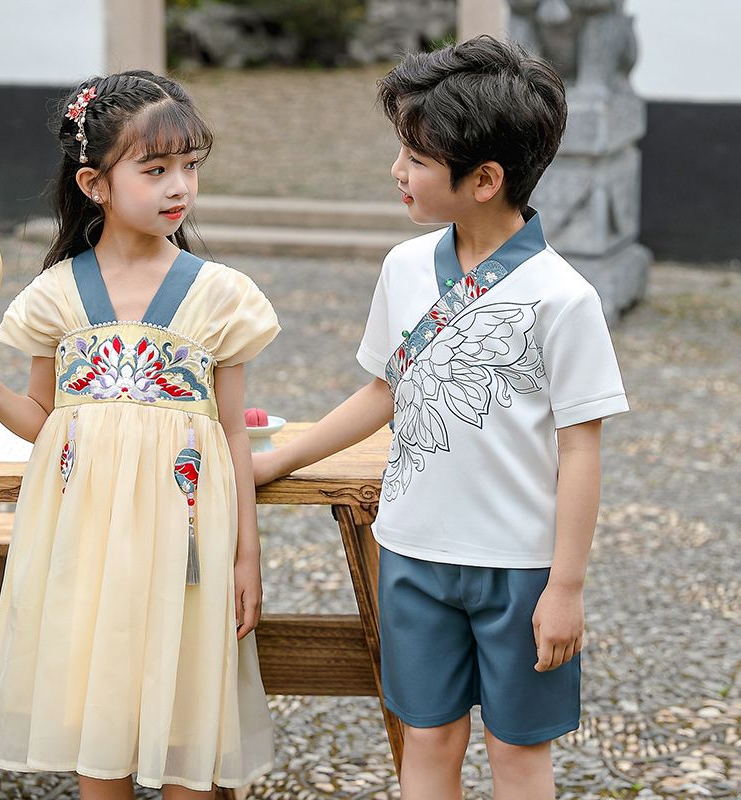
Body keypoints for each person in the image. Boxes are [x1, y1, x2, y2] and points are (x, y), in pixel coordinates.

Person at [253, 37, 629, 800]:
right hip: (413, 553)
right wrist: (269, 461)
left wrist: (568, 586)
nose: (398, 171)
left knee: (517, 750)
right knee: (427, 736)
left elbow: (580, 451)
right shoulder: (402, 269)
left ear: (485, 179)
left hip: (521, 569)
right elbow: (384, 394)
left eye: (416, 158)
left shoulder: (564, 298)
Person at [0, 70, 279, 799]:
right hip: (87, 540)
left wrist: (246, 556)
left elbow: (229, 434)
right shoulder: (57, 297)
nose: (178, 187)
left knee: (188, 715)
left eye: (190, 166)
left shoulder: (220, 297)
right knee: (102, 719)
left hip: (188, 541)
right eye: (155, 170)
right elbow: (45, 423)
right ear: (94, 182)